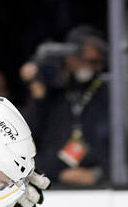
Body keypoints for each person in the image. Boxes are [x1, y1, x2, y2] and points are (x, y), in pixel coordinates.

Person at [21, 25, 111, 187]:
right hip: (52, 180)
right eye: (79, 57)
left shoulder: (107, 94)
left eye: (92, 61)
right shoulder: (54, 94)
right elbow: (27, 143)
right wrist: (38, 96)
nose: (84, 64)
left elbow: (121, 149)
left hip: (99, 183)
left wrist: (98, 174)